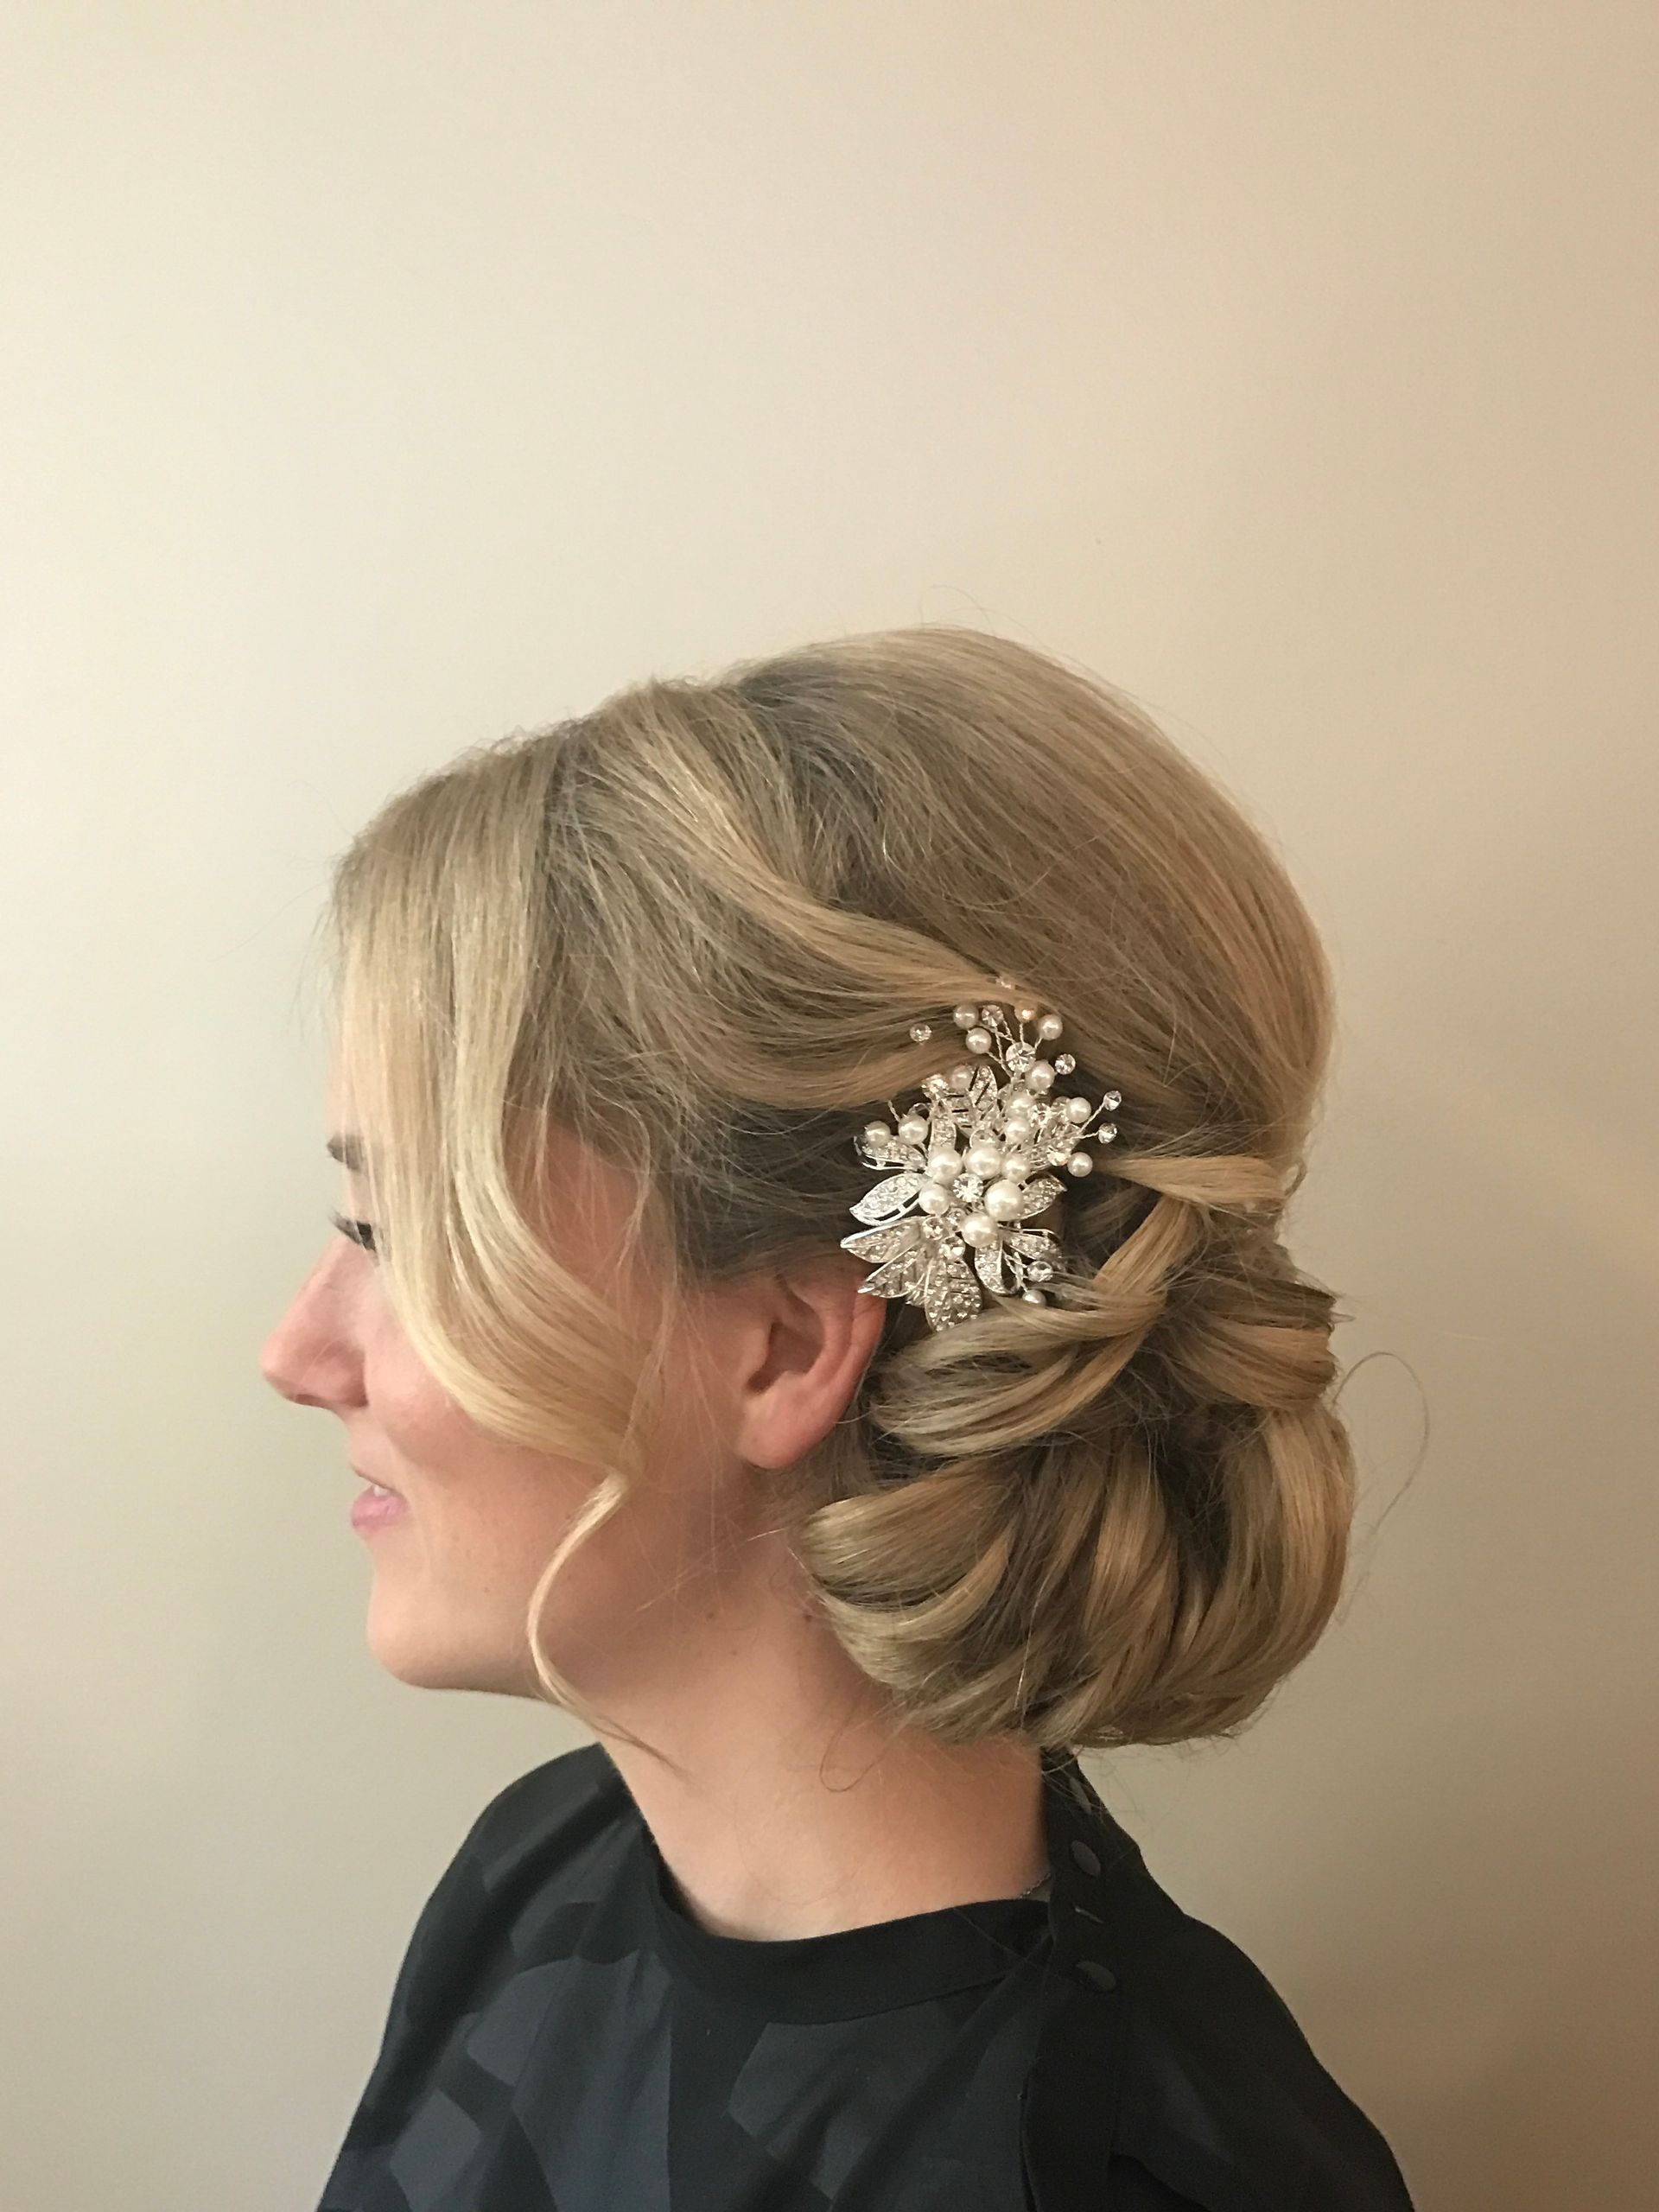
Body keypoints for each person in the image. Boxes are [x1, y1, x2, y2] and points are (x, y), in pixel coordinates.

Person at [262, 625, 1419, 2209]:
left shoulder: (1091, 2171)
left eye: (398, 1235)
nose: (298, 1352)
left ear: (787, 1343)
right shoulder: (544, 1872)